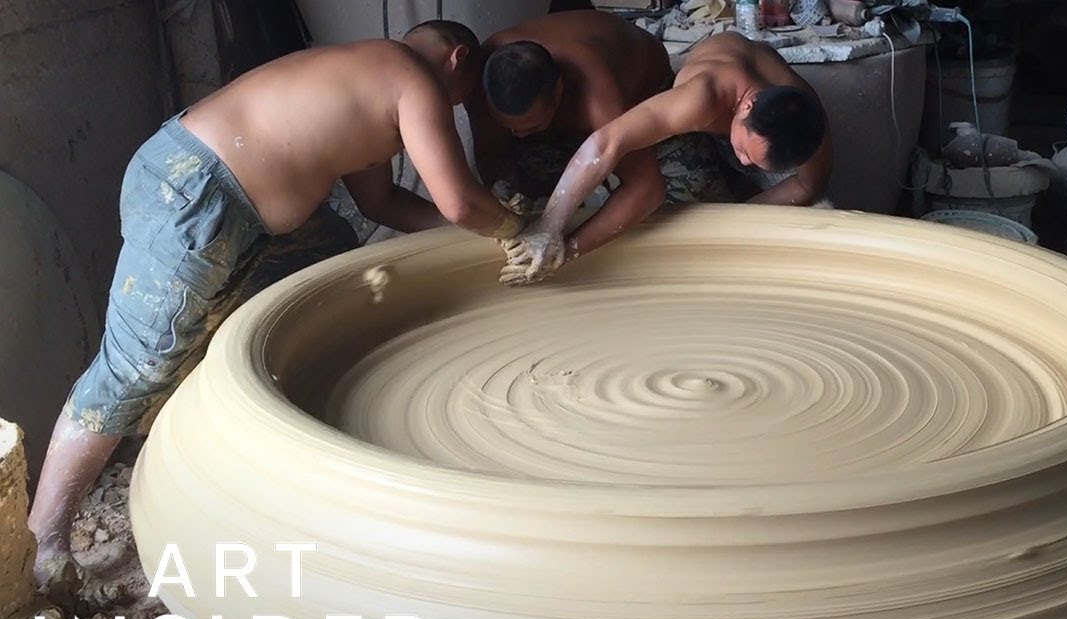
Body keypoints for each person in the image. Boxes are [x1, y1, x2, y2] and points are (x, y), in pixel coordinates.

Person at [27, 20, 525, 587]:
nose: (460, 106)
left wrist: (474, 234)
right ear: (458, 59)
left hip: (237, 206)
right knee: (135, 365)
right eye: (466, 93)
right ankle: (45, 541)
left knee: (329, 258)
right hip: (195, 191)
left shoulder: (368, 78)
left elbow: (383, 202)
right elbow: (459, 200)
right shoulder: (415, 79)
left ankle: (243, 433)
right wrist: (516, 228)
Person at [498, 31, 831, 286]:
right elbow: (606, 143)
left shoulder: (809, 124)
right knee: (674, 203)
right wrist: (550, 225)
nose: (744, 161)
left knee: (820, 214)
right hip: (691, 101)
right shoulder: (699, 98)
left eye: (754, 161)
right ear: (748, 105)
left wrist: (737, 220)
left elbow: (807, 186)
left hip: (752, 113)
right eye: (744, 151)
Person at [465, 9, 679, 263]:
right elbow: (493, 155)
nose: (518, 136)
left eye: (529, 126)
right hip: (563, 112)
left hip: (643, 92)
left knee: (682, 202)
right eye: (509, 127)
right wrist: (506, 197)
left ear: (558, 92)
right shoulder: (485, 74)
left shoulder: (593, 87)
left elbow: (647, 187)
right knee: (529, 188)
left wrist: (566, 249)